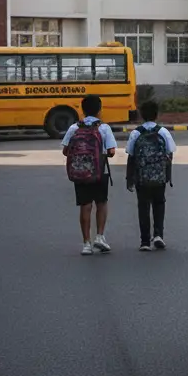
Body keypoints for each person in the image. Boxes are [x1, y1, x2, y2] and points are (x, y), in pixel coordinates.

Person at [62, 94, 117, 255]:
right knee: (101, 203)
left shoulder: (74, 128)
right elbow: (112, 152)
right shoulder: (104, 128)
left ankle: (86, 243)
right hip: (100, 172)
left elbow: (65, 151)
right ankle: (100, 237)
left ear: (83, 110)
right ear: (99, 110)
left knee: (85, 206)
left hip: (80, 173)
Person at [125, 100, 176, 251]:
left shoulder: (136, 133)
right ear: (156, 114)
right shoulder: (163, 132)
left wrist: (130, 179)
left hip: (142, 178)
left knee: (143, 207)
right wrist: (167, 176)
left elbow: (131, 157)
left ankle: (145, 241)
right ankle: (159, 234)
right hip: (159, 177)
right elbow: (169, 154)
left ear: (141, 115)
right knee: (159, 204)